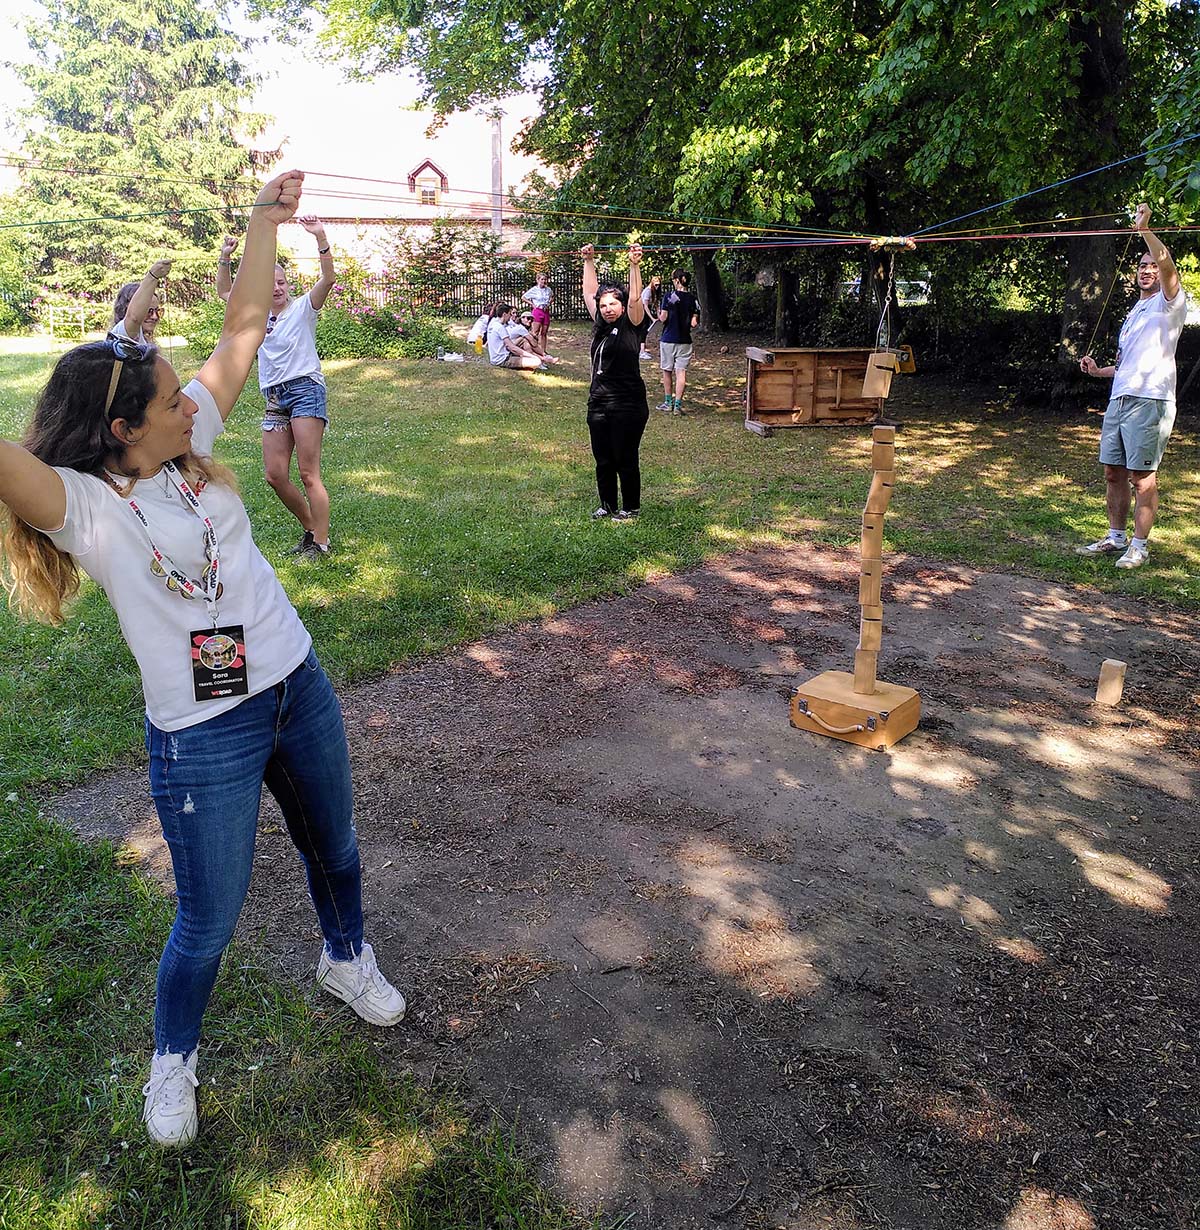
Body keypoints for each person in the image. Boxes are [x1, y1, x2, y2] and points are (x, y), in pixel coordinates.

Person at [0, 171, 405, 1150]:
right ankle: (172, 1059)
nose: (195, 399)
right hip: (203, 731)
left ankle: (344, 956)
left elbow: (243, 329)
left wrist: (266, 220)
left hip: (293, 683)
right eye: (170, 397)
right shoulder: (83, 507)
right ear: (122, 430)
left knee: (336, 848)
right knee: (209, 918)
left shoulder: (193, 441)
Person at [218, 218, 335, 559]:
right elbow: (225, 293)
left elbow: (328, 279)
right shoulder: (256, 315)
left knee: (308, 473)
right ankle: (311, 529)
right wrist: (225, 257)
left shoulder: (303, 309)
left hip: (305, 390)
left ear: (288, 284)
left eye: (281, 282)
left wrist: (320, 237)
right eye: (270, 284)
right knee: (274, 474)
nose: (277, 289)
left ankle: (321, 543)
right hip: (274, 395)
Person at [1078, 203, 1187, 569]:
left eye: (1153, 265)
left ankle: (1140, 546)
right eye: (1142, 265)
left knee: (1142, 478)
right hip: (1121, 398)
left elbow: (1168, 265)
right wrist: (1099, 372)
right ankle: (1116, 537)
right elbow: (1127, 364)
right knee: (1113, 472)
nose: (1147, 270)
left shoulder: (1170, 304)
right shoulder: (1134, 313)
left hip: (1150, 400)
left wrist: (1144, 230)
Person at [581, 242, 649, 520]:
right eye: (604, 305)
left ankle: (630, 507)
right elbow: (588, 292)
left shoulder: (632, 323)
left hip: (627, 403)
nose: (608, 309)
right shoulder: (600, 325)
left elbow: (636, 299)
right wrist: (588, 261)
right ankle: (607, 504)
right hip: (598, 402)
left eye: (613, 304)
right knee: (603, 459)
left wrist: (634, 265)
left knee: (624, 457)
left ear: (622, 306)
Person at [657, 269, 700, 415]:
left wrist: (659, 312)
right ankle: (677, 405)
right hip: (685, 340)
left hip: (668, 339)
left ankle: (668, 402)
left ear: (677, 280)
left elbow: (663, 318)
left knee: (667, 371)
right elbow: (694, 323)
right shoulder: (693, 299)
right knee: (681, 373)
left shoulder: (669, 296)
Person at [112, 259, 173, 345]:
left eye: (158, 311)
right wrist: (153, 275)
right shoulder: (122, 333)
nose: (155, 317)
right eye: (148, 311)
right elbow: (134, 318)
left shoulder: (143, 340)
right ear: (127, 309)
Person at [487, 304, 547, 370]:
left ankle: (537, 357)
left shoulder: (493, 323)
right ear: (504, 314)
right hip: (502, 359)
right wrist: (533, 356)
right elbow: (512, 347)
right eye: (510, 314)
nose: (511, 316)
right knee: (536, 361)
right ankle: (537, 359)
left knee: (523, 341)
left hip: (497, 357)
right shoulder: (500, 327)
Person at [522, 271, 553, 352]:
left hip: (545, 311)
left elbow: (552, 297)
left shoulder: (548, 290)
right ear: (538, 280)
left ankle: (543, 350)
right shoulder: (534, 290)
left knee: (544, 332)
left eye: (545, 279)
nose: (544, 281)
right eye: (542, 279)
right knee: (535, 332)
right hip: (537, 311)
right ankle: (534, 349)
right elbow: (523, 297)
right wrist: (532, 304)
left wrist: (549, 303)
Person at [639, 274, 663, 361]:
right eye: (656, 285)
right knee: (643, 330)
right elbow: (645, 305)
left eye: (658, 285)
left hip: (646, 310)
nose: (657, 287)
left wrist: (659, 315)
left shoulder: (655, 291)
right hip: (642, 310)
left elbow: (656, 305)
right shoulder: (648, 291)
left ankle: (642, 350)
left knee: (645, 330)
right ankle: (641, 351)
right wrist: (652, 318)